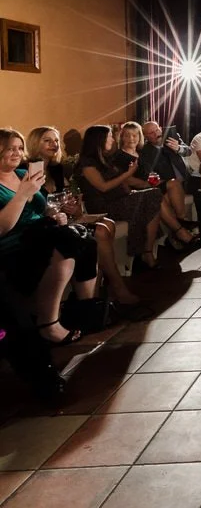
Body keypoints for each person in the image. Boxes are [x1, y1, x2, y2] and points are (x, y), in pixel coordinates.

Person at [0, 128, 98, 345]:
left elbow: (45, 209)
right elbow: (3, 227)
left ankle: (85, 312)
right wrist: (22, 194)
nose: (16, 153)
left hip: (41, 234)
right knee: (66, 241)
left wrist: (58, 214)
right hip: (15, 243)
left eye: (19, 148)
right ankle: (48, 324)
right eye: (9, 149)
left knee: (87, 242)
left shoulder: (20, 175)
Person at [25, 127, 137, 306]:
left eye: (55, 140)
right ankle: (115, 289)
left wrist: (73, 205)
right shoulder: (28, 170)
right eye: (47, 140)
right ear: (34, 143)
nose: (54, 144)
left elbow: (69, 198)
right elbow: (32, 204)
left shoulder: (57, 169)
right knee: (100, 231)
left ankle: (97, 293)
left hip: (63, 217)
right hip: (45, 223)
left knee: (108, 224)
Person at [75, 126, 195, 269]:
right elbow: (104, 187)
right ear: (99, 140)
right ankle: (177, 232)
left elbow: (120, 184)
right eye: (110, 137)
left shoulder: (104, 159)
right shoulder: (87, 163)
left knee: (154, 195)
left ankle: (149, 250)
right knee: (153, 197)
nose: (113, 139)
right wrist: (129, 173)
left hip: (119, 198)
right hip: (103, 205)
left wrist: (131, 191)